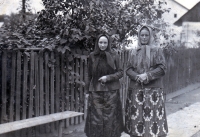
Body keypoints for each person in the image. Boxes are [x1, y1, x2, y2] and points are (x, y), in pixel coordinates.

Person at [125, 26, 168, 137]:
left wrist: (147, 75)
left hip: (153, 91)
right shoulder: (134, 51)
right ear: (139, 36)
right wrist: (137, 77)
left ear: (150, 36)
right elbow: (128, 69)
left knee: (153, 120)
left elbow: (162, 68)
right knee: (137, 119)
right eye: (142, 35)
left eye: (146, 35)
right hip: (136, 90)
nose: (144, 37)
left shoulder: (157, 50)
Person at [84, 34, 123, 137]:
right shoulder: (92, 56)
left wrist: (108, 78)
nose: (103, 45)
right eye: (100, 42)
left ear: (108, 43)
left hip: (112, 92)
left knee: (111, 118)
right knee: (96, 118)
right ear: (97, 43)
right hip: (96, 91)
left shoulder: (114, 55)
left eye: (105, 42)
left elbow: (120, 72)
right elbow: (88, 74)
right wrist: (87, 91)